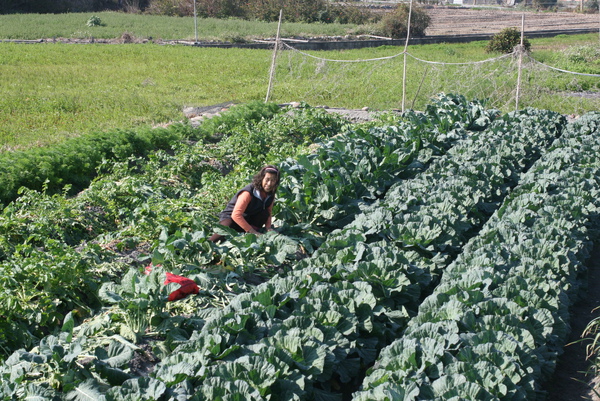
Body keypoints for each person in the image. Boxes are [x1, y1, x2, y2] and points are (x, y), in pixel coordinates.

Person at [209, 165, 280, 242]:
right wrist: (252, 231)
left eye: (273, 180)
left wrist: (268, 228)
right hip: (232, 218)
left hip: (248, 219)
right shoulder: (248, 192)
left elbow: (268, 212)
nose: (269, 183)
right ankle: (206, 245)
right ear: (262, 178)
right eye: (267, 179)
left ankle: (246, 232)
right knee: (225, 231)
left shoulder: (270, 194)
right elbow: (236, 215)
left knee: (264, 213)